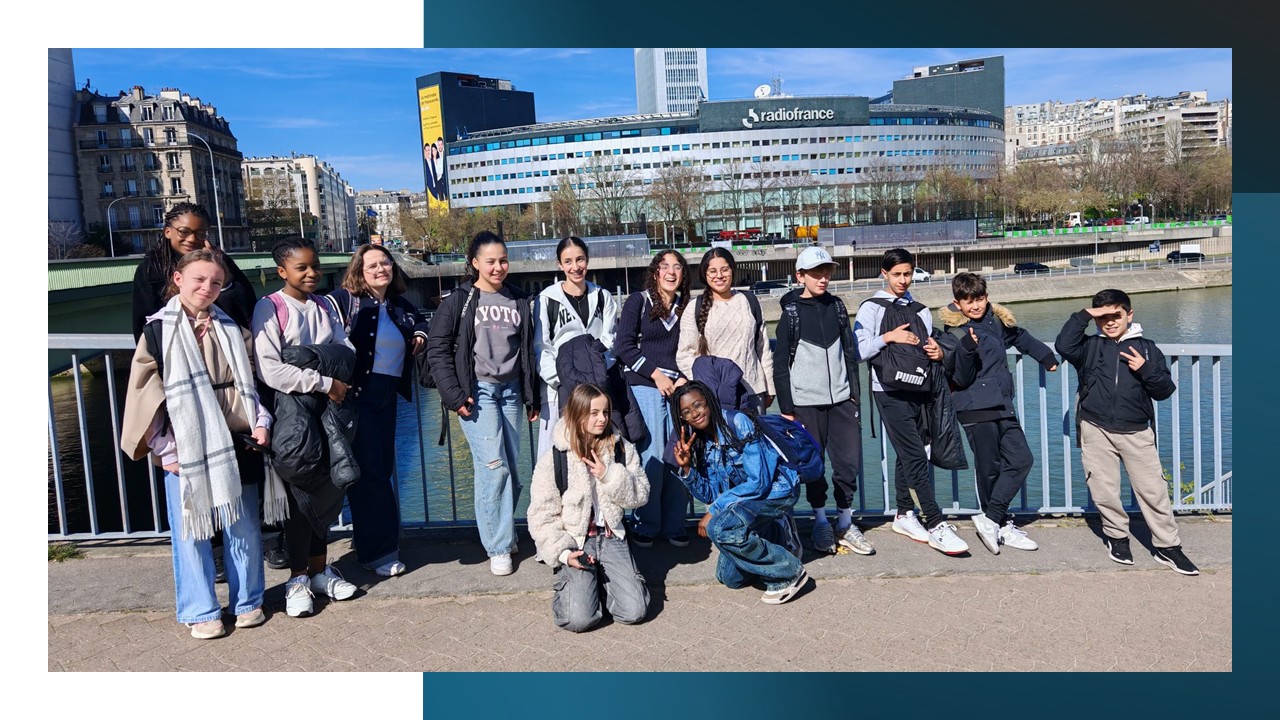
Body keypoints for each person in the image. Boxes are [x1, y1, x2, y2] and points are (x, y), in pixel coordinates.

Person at [120, 249, 285, 639]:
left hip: (236, 437)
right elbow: (145, 392)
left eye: (215, 282)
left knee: (243, 525)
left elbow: (252, 380)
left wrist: (261, 421)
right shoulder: (158, 331)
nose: (207, 288)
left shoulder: (231, 326)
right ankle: (201, 609)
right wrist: (164, 447)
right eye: (199, 279)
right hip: (185, 443)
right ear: (178, 279)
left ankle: (248, 601)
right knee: (191, 531)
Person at [129, 202, 281, 574]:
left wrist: (220, 275)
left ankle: (268, 541)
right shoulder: (150, 270)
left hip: (228, 374)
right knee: (196, 474)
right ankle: (213, 550)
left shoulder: (219, 262)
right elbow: (145, 330)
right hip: (184, 384)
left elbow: (245, 307)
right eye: (185, 231)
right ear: (168, 231)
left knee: (245, 471)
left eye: (199, 231)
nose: (192, 238)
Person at [1055, 289, 1198, 575]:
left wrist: (1145, 369)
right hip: (1095, 428)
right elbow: (1063, 344)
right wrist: (1085, 314)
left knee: (1153, 490)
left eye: (1116, 315)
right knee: (1104, 489)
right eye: (1103, 317)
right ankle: (1117, 537)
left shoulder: (1147, 348)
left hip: (1136, 432)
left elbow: (1164, 391)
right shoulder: (1089, 346)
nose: (1109, 322)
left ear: (1129, 315)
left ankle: (1168, 546)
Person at [253, 237, 360, 617]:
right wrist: (324, 379)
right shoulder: (270, 307)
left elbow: (347, 352)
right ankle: (297, 578)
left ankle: (318, 570)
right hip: (293, 413)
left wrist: (305, 358)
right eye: (302, 268)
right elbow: (271, 369)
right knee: (300, 492)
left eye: (314, 266)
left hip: (328, 409)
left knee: (327, 489)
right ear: (282, 271)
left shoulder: (324, 305)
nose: (312, 273)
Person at [426, 231, 539, 576]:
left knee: (512, 469)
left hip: (511, 393)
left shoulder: (519, 299)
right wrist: (454, 395)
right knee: (494, 467)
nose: (498, 267)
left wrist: (531, 395)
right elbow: (437, 349)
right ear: (475, 263)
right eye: (490, 261)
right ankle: (499, 546)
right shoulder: (459, 301)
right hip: (479, 393)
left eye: (503, 260)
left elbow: (527, 352)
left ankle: (503, 531)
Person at [853, 248, 969, 556]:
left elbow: (927, 345)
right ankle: (935, 521)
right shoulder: (871, 308)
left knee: (913, 450)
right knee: (915, 454)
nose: (903, 280)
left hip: (918, 386)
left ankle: (904, 514)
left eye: (907, 274)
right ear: (884, 274)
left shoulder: (920, 310)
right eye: (896, 275)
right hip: (887, 390)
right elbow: (858, 351)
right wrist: (888, 338)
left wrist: (937, 352)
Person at [937, 272, 1058, 555]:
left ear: (986, 297)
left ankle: (990, 519)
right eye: (968, 301)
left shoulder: (995, 320)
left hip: (1002, 403)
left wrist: (1045, 356)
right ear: (957, 303)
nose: (975, 306)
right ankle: (1000, 523)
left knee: (1021, 459)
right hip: (974, 406)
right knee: (989, 468)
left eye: (979, 299)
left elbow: (1019, 336)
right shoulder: (955, 332)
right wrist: (967, 349)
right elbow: (960, 377)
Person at [327, 244, 429, 577]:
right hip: (359, 397)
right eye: (371, 265)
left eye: (385, 263)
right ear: (358, 271)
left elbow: (418, 321)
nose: (380, 269)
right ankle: (380, 552)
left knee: (381, 469)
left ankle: (374, 543)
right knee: (370, 474)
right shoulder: (345, 300)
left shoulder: (399, 304)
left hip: (387, 397)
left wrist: (419, 334)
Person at [668, 381, 808, 605]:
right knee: (729, 578)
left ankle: (789, 572)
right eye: (686, 412)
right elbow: (711, 494)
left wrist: (715, 510)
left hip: (776, 491)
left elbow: (759, 483)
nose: (695, 413)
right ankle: (775, 532)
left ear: (709, 402)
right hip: (747, 501)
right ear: (682, 418)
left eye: (698, 405)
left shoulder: (738, 422)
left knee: (720, 527)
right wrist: (687, 469)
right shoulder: (703, 442)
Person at [527, 384, 650, 632]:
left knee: (634, 612)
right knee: (578, 620)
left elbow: (641, 494)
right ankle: (577, 584)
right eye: (594, 413)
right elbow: (541, 515)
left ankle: (601, 585)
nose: (602, 419)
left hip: (611, 535)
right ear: (577, 414)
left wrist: (609, 476)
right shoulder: (555, 457)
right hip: (575, 541)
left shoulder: (621, 448)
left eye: (605, 412)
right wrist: (563, 554)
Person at [773, 246, 872, 556]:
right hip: (805, 404)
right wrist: (787, 409)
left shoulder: (838, 307)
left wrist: (854, 395)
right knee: (814, 467)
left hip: (842, 400)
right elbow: (780, 366)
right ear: (800, 276)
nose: (823, 278)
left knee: (848, 464)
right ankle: (819, 521)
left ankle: (845, 522)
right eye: (816, 273)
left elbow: (849, 352)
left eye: (826, 272)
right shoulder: (791, 314)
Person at [613, 250, 692, 548]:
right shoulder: (639, 301)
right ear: (656, 272)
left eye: (677, 267)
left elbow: (694, 346)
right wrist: (656, 374)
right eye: (665, 266)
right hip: (646, 385)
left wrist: (683, 376)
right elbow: (624, 347)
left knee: (680, 453)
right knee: (653, 456)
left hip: (679, 388)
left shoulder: (686, 307)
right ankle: (646, 522)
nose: (671, 272)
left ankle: (674, 523)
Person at [534, 236, 618, 458]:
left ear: (587, 260)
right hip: (559, 390)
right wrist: (564, 380)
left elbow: (610, 342)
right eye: (568, 261)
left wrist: (594, 380)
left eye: (580, 259)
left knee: (599, 452)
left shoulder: (603, 297)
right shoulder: (547, 299)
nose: (575, 267)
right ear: (560, 265)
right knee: (556, 453)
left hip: (597, 391)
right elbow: (542, 347)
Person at [676, 248, 775, 412]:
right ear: (705, 274)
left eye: (724, 270)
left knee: (756, 430)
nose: (719, 275)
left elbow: (763, 349)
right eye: (712, 271)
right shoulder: (694, 308)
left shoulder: (750, 301)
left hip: (753, 391)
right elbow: (684, 355)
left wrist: (770, 388)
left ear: (732, 271)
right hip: (714, 397)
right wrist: (707, 383)